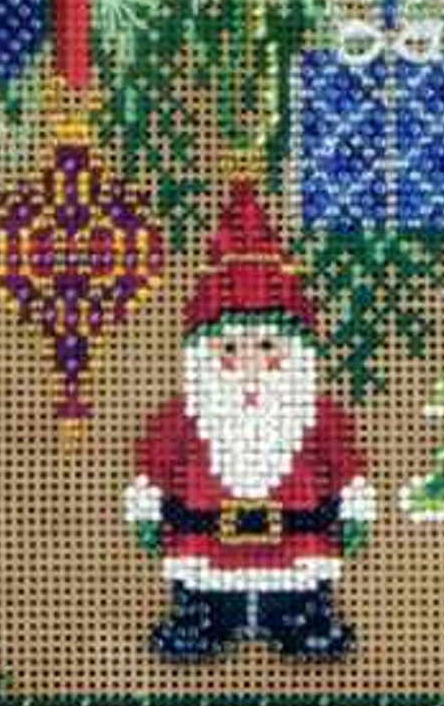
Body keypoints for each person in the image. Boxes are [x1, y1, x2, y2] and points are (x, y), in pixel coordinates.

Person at [124, 179, 375, 661]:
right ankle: (200, 620)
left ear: (295, 352)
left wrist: (353, 501)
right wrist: (148, 503)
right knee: (202, 594)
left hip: (298, 539)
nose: (250, 365)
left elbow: (343, 461)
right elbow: (156, 462)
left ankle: (303, 619)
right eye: (230, 349)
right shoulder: (186, 416)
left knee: (301, 595)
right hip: (205, 539)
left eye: (266, 346)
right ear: (204, 355)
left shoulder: (314, 414)